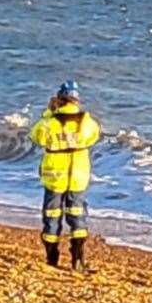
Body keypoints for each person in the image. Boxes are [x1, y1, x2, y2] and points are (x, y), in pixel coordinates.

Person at [29, 80, 101, 271]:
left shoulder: (50, 122)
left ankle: (52, 258)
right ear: (77, 100)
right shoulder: (86, 121)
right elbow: (95, 135)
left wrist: (49, 113)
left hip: (55, 177)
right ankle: (78, 259)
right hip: (78, 176)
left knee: (52, 217)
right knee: (77, 217)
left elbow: (36, 136)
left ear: (59, 99)